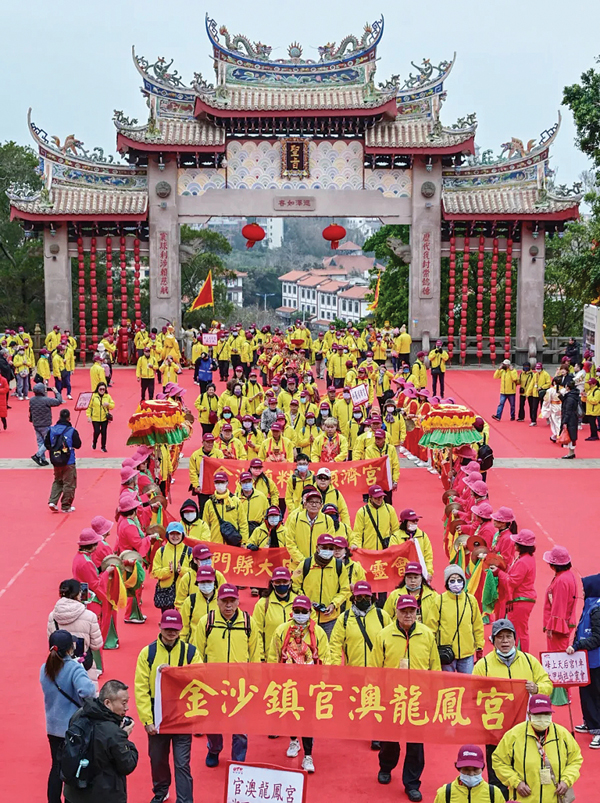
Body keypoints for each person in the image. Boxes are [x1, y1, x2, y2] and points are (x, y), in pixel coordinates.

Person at [473, 618, 553, 796]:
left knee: (524, 767)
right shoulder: (483, 665)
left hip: (524, 727)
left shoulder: (529, 661)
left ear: (515, 639)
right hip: (495, 728)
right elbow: (473, 694)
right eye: (500, 637)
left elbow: (547, 684)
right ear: (493, 640)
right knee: (497, 771)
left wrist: (537, 688)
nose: (505, 641)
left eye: (508, 636)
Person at [372, 595, 440, 801]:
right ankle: (386, 766)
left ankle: (412, 783)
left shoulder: (427, 635)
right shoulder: (384, 635)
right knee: (389, 741)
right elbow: (375, 669)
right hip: (391, 699)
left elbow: (435, 668)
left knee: (416, 744)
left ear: (417, 612)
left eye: (412, 611)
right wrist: (375, 695)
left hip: (419, 700)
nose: (408, 615)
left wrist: (434, 696)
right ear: (396, 612)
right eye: (404, 611)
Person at [134, 609, 200, 803]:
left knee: (182, 763)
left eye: (175, 629)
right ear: (160, 627)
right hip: (157, 714)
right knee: (157, 759)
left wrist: (176, 673)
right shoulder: (148, 653)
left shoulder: (191, 652)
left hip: (181, 715)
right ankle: (161, 791)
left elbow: (199, 679)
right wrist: (147, 720)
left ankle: (185, 800)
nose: (171, 632)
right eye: (168, 628)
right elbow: (141, 688)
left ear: (181, 629)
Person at [193, 585, 262, 766]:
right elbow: (197, 653)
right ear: (217, 602)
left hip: (240, 686)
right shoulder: (206, 622)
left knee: (240, 728)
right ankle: (214, 749)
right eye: (224, 601)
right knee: (213, 724)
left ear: (238, 601)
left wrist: (255, 682)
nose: (228, 605)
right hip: (213, 685)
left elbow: (255, 654)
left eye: (232, 601)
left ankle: (238, 761)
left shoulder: (248, 623)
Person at [267, 594, 330, 772]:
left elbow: (326, 656)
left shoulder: (318, 632)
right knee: (290, 713)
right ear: (292, 611)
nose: (300, 614)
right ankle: (294, 740)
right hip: (287, 682)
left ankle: (308, 756)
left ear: (310, 612)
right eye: (297, 611)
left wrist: (323, 679)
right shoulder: (281, 630)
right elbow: (273, 654)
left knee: (307, 719)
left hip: (310, 683)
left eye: (304, 611)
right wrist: (273, 678)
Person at [492, 694, 583, 802]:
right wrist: (516, 782)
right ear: (529, 714)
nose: (542, 718)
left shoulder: (562, 735)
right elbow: (498, 761)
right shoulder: (514, 735)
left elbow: (575, 759)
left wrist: (566, 780)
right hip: (524, 799)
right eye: (538, 714)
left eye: (546, 714)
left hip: (555, 798)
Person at [40, 629, 96, 803]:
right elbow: (88, 691)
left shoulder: (45, 668)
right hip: (73, 728)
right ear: (70, 649)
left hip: (53, 727)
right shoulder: (74, 667)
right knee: (74, 767)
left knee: (56, 767)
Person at [63, 679, 138, 803]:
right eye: (123, 703)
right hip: (103, 795)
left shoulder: (79, 714)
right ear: (107, 702)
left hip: (73, 792)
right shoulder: (113, 733)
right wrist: (125, 738)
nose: (127, 708)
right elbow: (128, 764)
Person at [292, 533, 351, 638]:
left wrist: (334, 604)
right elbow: (294, 585)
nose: (327, 550)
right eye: (324, 547)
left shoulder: (339, 566)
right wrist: (306, 601)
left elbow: (345, 589)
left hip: (330, 619)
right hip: (306, 617)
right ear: (317, 548)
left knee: (328, 646)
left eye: (330, 548)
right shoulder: (305, 564)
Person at [431, 565, 484, 674]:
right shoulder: (439, 601)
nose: (456, 583)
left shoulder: (471, 600)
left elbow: (477, 625)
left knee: (468, 682)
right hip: (446, 653)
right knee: (448, 683)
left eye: (459, 580)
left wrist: (479, 645)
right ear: (447, 583)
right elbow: (432, 627)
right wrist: (432, 648)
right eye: (452, 580)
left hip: (467, 653)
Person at [569, 572, 600, 748]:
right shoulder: (590, 605)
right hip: (586, 660)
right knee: (586, 693)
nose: (582, 591)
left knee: (596, 695)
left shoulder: (597, 609)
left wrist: (578, 645)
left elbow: (597, 638)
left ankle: (598, 729)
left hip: (596, 661)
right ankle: (589, 722)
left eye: (584, 588)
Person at [47, 579, 103, 675]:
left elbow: (52, 642)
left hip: (61, 665)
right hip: (83, 664)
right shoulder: (90, 616)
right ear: (78, 594)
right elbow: (96, 644)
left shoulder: (53, 616)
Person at [330, 580, 390, 668]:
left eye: (367, 597)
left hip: (377, 671)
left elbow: (392, 642)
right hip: (353, 671)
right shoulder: (344, 618)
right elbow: (335, 645)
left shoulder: (382, 616)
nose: (363, 600)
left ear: (371, 598)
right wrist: (335, 668)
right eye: (359, 597)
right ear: (353, 598)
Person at [434, 744, 505, 803]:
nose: (471, 773)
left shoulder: (494, 793)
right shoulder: (444, 794)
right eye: (466, 769)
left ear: (482, 767)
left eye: (475, 769)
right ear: (458, 768)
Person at [46, 409, 82, 513]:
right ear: (69, 418)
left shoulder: (51, 430)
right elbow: (78, 445)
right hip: (69, 461)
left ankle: (52, 501)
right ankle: (66, 505)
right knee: (69, 483)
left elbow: (47, 444)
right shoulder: (71, 431)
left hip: (56, 460)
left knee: (58, 480)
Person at [351, 484, 400, 550]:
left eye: (381, 497)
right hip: (368, 551)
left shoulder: (390, 510)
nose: (379, 500)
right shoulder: (362, 512)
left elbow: (396, 531)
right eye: (376, 498)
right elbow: (357, 533)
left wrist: (394, 546)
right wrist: (356, 544)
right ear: (370, 498)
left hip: (385, 551)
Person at [29, 382, 62, 466]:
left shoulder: (32, 400)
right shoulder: (46, 400)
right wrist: (56, 392)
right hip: (45, 424)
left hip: (36, 423)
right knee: (49, 441)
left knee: (40, 442)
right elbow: (58, 401)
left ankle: (42, 459)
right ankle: (38, 455)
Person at [87, 382, 115, 453]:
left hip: (104, 418)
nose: (102, 390)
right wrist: (89, 416)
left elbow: (113, 405)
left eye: (103, 389)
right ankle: (94, 442)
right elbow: (89, 407)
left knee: (104, 432)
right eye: (100, 389)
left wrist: (108, 404)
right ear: (98, 389)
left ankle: (103, 446)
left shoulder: (107, 396)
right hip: (95, 417)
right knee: (97, 431)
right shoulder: (93, 396)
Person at [559, 376, 580, 459]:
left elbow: (568, 411)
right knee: (572, 435)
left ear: (568, 387)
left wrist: (565, 421)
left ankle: (571, 452)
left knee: (570, 435)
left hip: (570, 418)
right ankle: (571, 452)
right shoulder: (573, 395)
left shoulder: (570, 398)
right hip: (573, 417)